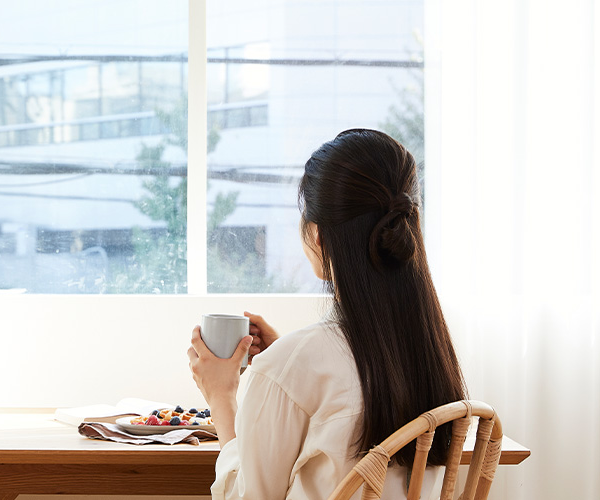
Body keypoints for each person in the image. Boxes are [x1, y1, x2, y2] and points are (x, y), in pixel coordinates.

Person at [187, 129, 467, 500]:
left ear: (317, 235)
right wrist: (287, 363)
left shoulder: (292, 365)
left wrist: (222, 396)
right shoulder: (429, 350)